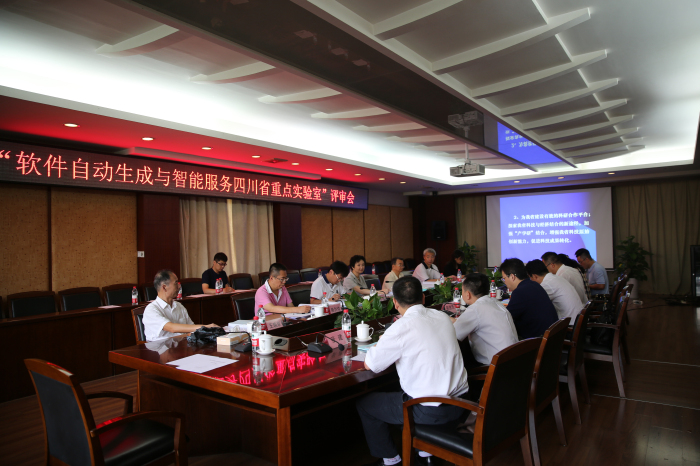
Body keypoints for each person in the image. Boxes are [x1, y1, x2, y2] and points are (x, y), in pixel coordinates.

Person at [357, 276, 469, 466]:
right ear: (423, 298)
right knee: (406, 389)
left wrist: (382, 341)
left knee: (365, 404)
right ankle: (425, 452)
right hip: (462, 404)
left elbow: (371, 364)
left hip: (432, 412)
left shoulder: (400, 327)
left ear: (395, 303)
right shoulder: (442, 317)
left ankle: (391, 460)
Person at [452, 273, 518, 366]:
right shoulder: (495, 302)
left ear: (468, 294)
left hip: (495, 368)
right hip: (514, 361)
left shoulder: (475, 309)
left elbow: (454, 333)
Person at [143, 269, 219, 341]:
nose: (179, 286)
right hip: (160, 349)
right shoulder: (151, 309)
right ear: (164, 287)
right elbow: (172, 328)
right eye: (176, 283)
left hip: (181, 346)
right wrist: (206, 327)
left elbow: (191, 328)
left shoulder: (178, 306)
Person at [500, 258, 558, 340]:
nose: (504, 282)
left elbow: (506, 318)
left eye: (504, 278)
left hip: (537, 341)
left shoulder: (520, 292)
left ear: (512, 276)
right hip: (551, 337)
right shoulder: (534, 284)